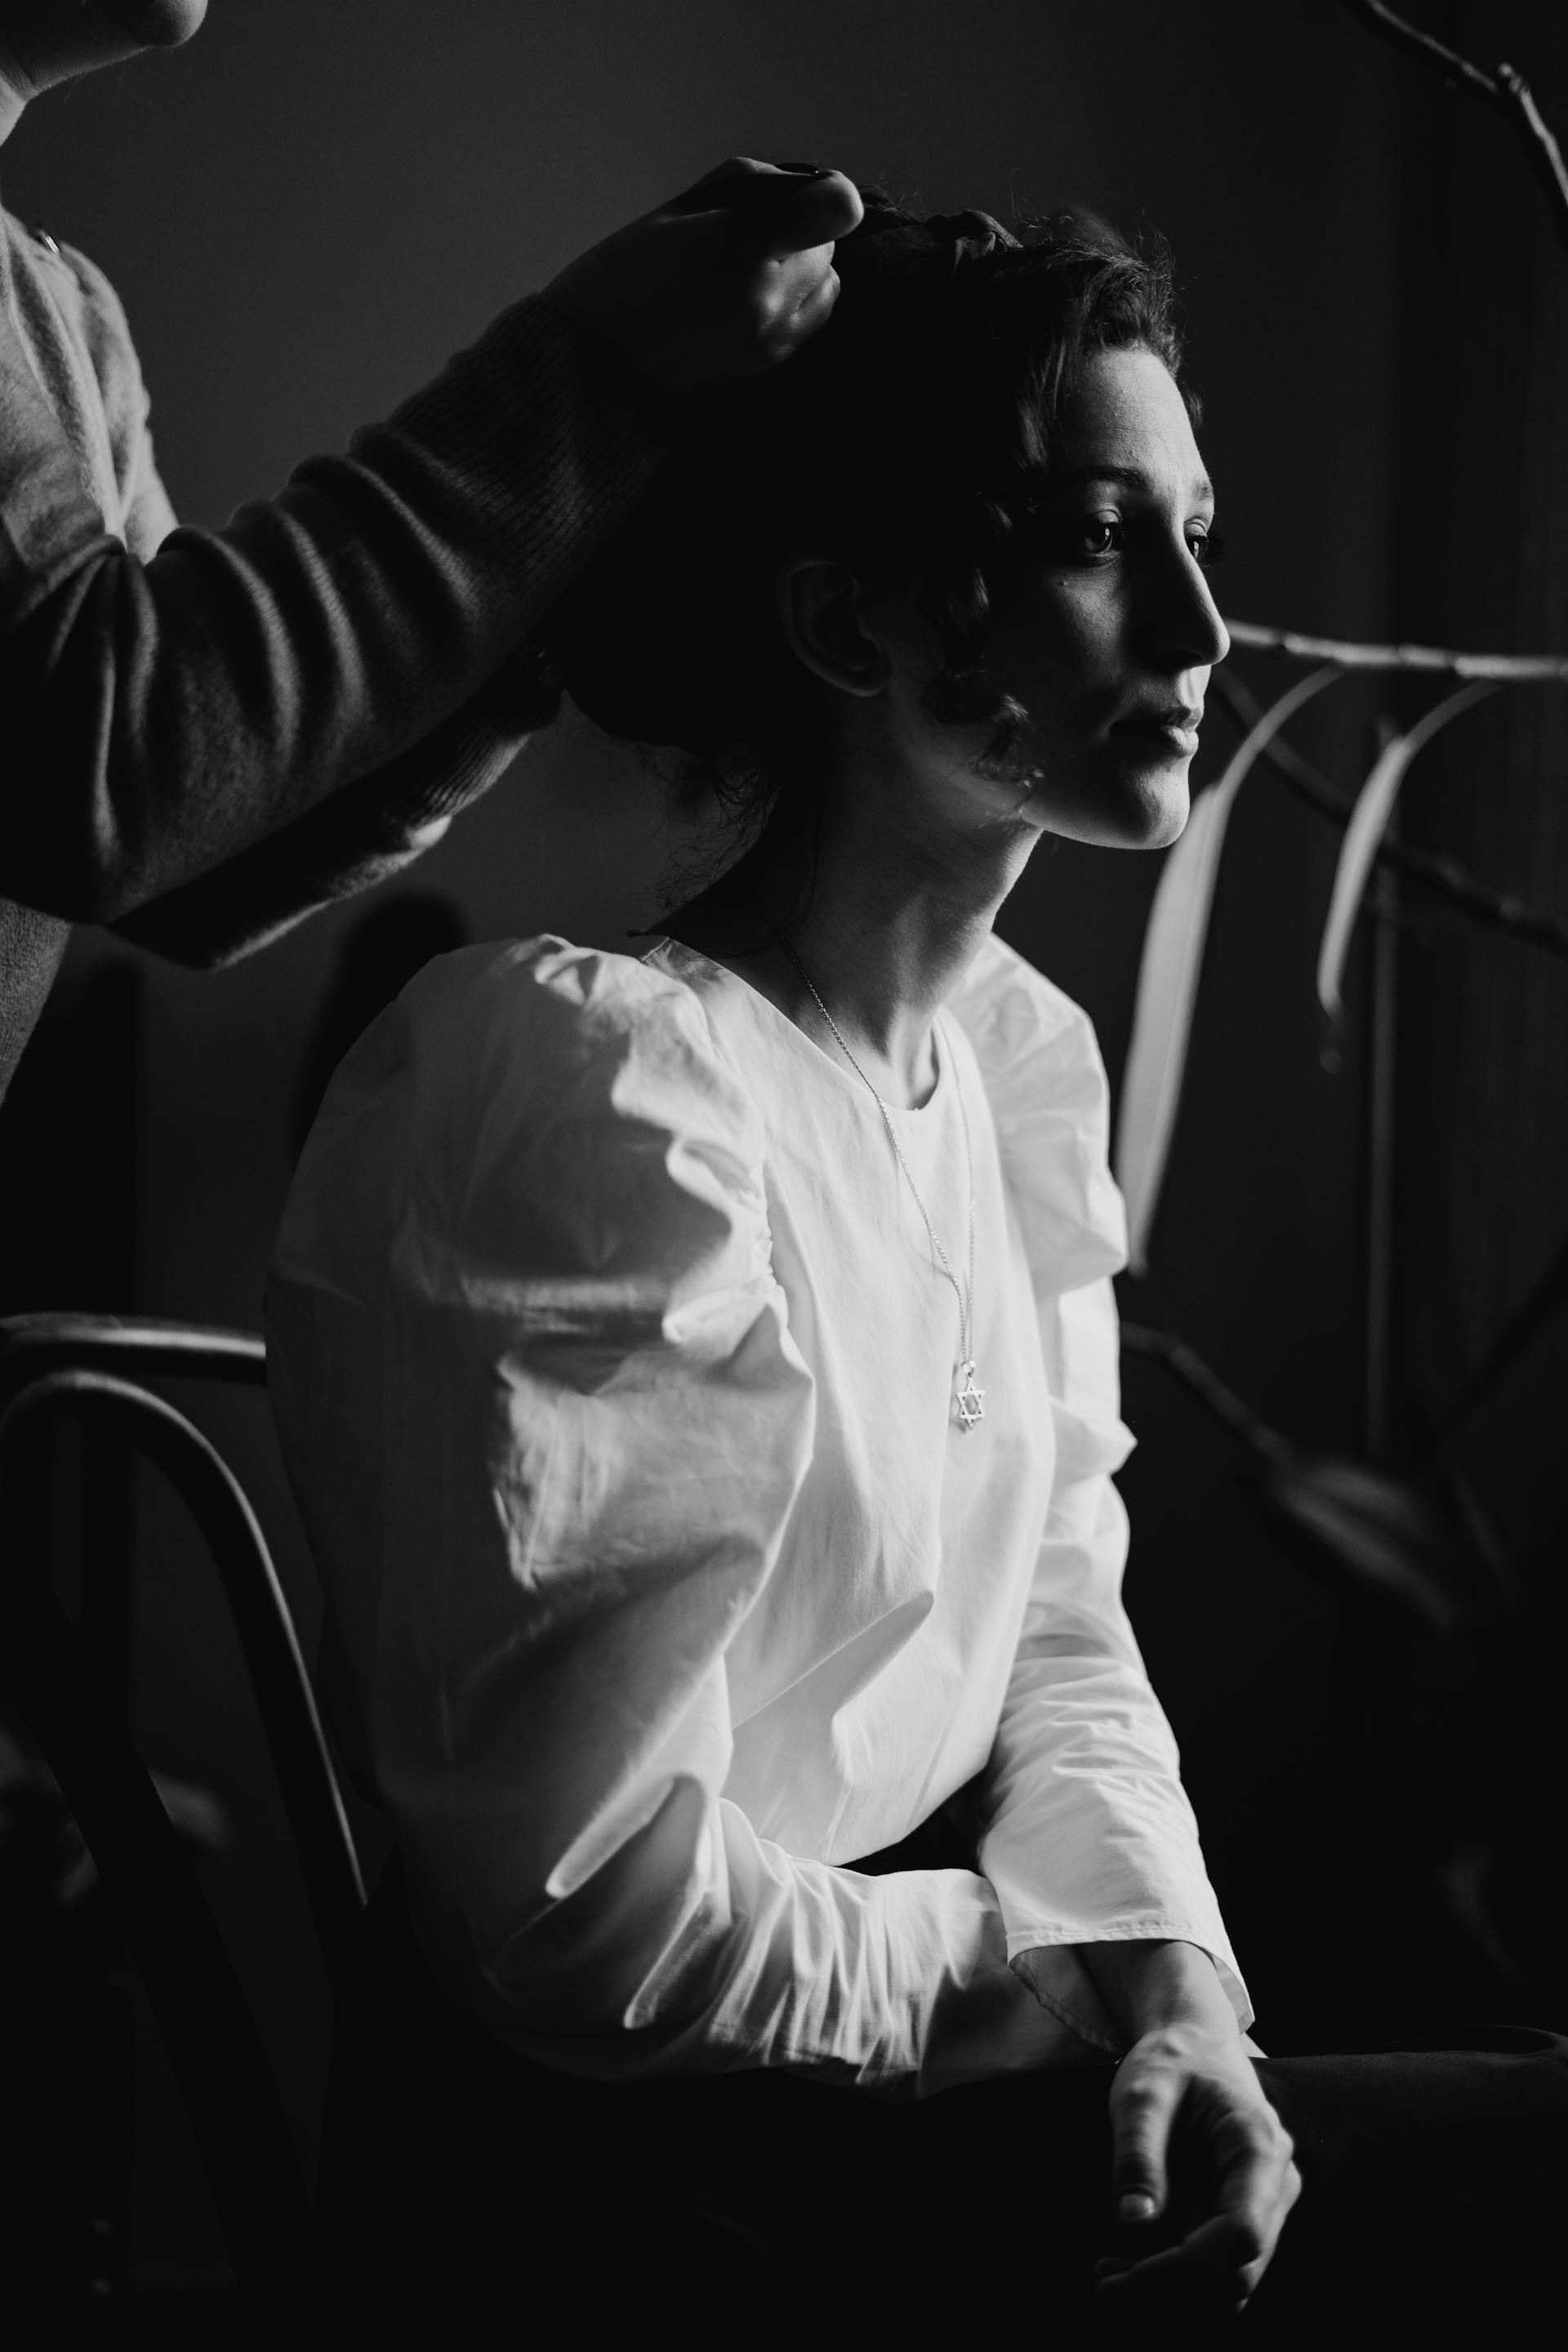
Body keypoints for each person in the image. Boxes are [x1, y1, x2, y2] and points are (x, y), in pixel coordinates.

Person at [268, 194, 1567, 2338]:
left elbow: (1059, 1633)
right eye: (1095, 536)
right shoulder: (602, 1093)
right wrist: (1034, 1984)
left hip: (907, 2107)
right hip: (626, 2204)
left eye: (1200, 534)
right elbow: (585, 1911)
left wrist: (1185, 2009)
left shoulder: (1016, 1081)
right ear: (848, 619)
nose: (1205, 634)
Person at [0, 0, 861, 1102]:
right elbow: (103, 767)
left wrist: (554, 586)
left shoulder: (61, 309)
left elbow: (189, 868)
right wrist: (592, 375)